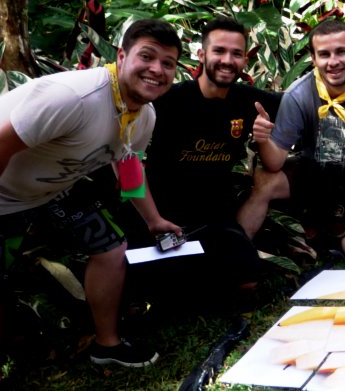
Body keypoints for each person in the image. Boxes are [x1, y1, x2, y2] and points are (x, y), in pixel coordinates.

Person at [0, 19, 183, 390]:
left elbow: (127, 161)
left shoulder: (142, 114)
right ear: (121, 55)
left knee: (111, 248)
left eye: (168, 63)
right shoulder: (75, 97)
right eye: (147, 57)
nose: (157, 70)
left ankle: (107, 343)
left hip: (50, 184)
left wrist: (153, 219)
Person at [118, 18, 282, 303]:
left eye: (236, 54)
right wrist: (151, 218)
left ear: (245, 59)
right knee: (144, 288)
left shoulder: (249, 101)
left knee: (248, 281)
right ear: (202, 55)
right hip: (160, 218)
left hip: (213, 220)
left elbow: (306, 100)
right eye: (219, 51)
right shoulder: (165, 99)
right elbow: (126, 159)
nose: (227, 60)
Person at [236, 19, 345, 266]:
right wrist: (262, 139)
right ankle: (236, 255)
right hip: (312, 178)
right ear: (313, 59)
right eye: (324, 54)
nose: (333, 61)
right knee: (264, 179)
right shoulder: (299, 95)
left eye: (341, 52)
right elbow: (274, 162)